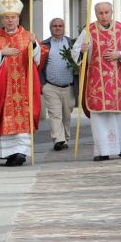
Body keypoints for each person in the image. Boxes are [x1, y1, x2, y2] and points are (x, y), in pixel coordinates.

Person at [0, 0, 48, 166]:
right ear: (2, 20)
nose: (10, 20)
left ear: (18, 18)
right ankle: (8, 153)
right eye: (7, 17)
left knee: (23, 118)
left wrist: (34, 45)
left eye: (13, 17)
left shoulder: (27, 37)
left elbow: (41, 56)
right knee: (3, 118)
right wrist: (1, 53)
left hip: (23, 88)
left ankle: (20, 153)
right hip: (2, 89)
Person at [71, 2, 121, 161]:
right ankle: (103, 151)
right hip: (97, 83)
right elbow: (75, 51)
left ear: (112, 12)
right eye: (100, 13)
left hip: (118, 82)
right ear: (96, 14)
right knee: (100, 119)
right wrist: (82, 51)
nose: (104, 16)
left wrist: (119, 54)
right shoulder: (89, 31)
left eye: (106, 12)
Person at [40, 18, 76, 151]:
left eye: (60, 26)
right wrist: (42, 85)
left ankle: (65, 138)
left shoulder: (72, 44)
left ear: (64, 27)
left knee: (67, 115)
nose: (57, 28)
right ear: (50, 28)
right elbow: (38, 65)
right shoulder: (44, 45)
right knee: (55, 114)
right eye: (54, 26)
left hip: (69, 86)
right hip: (50, 86)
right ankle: (58, 140)